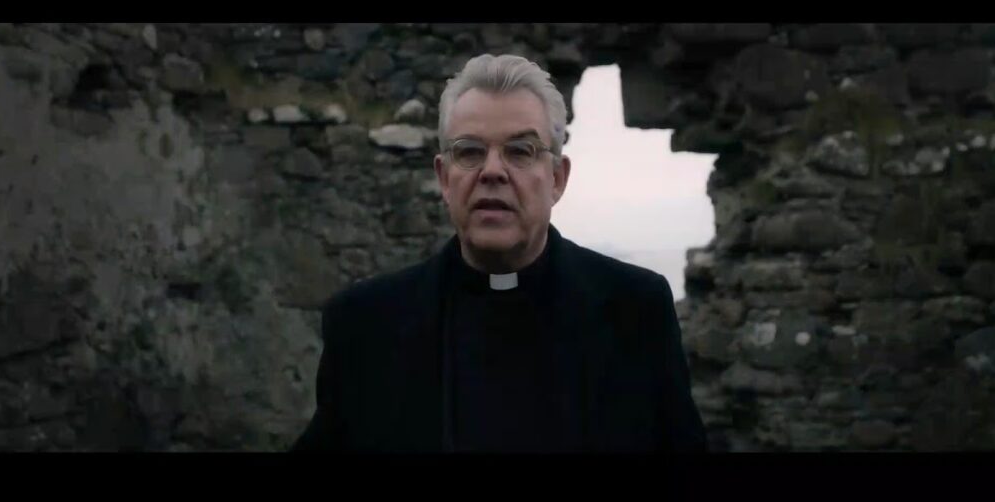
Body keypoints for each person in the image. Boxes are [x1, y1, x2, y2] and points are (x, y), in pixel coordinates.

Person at [292, 54, 707, 453]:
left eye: (520, 151)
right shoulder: (364, 325)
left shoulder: (636, 311)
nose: (492, 171)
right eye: (470, 151)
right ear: (444, 178)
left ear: (557, 179)